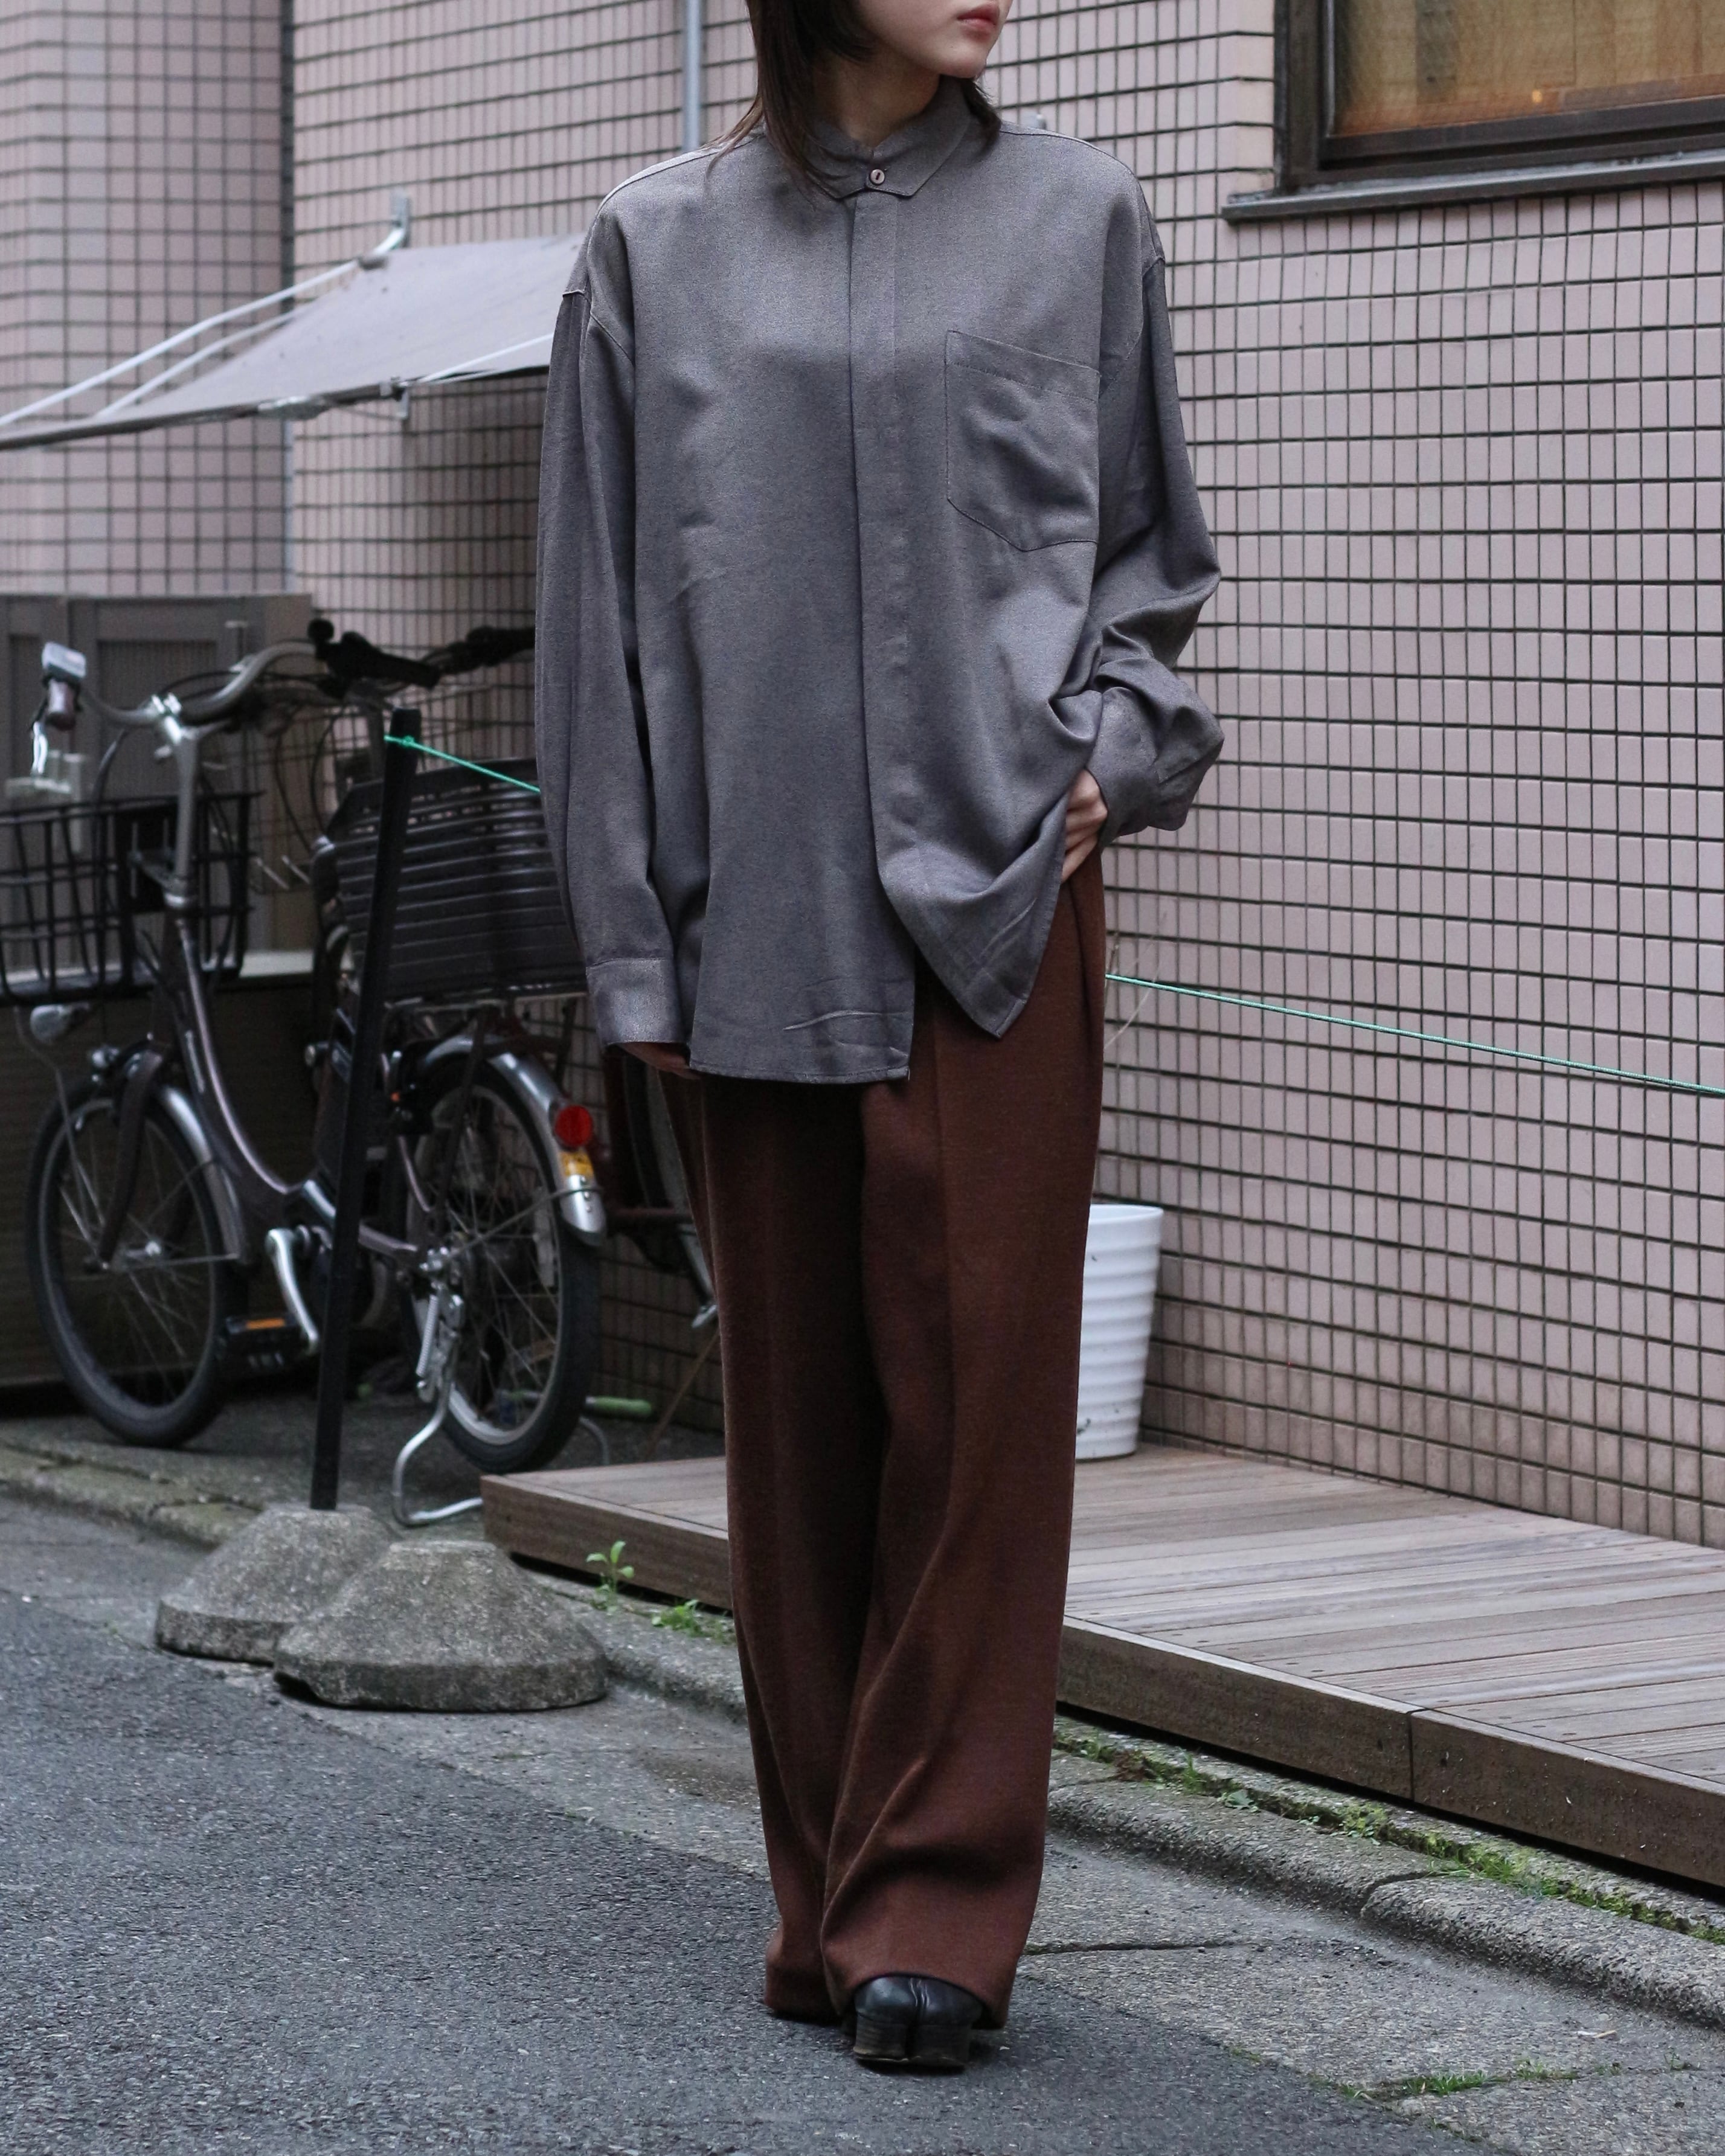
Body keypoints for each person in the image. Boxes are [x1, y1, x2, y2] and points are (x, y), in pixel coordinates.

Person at [535, 0, 1221, 2074]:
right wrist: (631, 950)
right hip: (754, 914)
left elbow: (1149, 559)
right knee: (801, 1434)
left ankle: (934, 1898)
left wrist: (1114, 756)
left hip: (1002, 906)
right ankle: (831, 1888)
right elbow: (594, 620)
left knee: (983, 1414)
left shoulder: (1082, 220)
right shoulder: (652, 251)